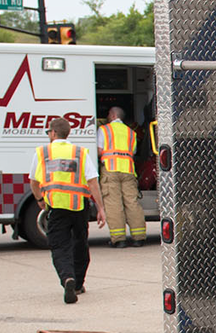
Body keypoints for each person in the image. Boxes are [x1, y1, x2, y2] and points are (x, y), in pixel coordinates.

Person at [32, 116, 104, 304]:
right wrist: (101, 207)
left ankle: (67, 278)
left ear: (54, 133)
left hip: (56, 208)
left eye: (49, 131)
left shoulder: (43, 153)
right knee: (80, 244)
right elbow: (92, 181)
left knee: (59, 246)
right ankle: (78, 283)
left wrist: (40, 199)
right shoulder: (79, 152)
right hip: (79, 206)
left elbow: (33, 181)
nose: (49, 135)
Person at [98, 106, 146, 246]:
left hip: (110, 170)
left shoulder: (104, 130)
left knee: (114, 204)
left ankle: (119, 239)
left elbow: (100, 151)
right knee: (132, 203)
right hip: (128, 170)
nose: (107, 116)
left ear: (113, 115)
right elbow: (133, 152)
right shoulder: (131, 132)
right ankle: (139, 237)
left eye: (108, 113)